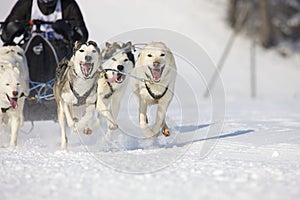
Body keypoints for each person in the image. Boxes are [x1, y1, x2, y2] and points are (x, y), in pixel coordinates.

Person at [0, 0, 89, 60]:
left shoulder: (68, 5)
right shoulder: (27, 3)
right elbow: (4, 34)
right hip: (29, 52)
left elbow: (83, 37)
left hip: (60, 54)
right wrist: (13, 29)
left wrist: (70, 31)